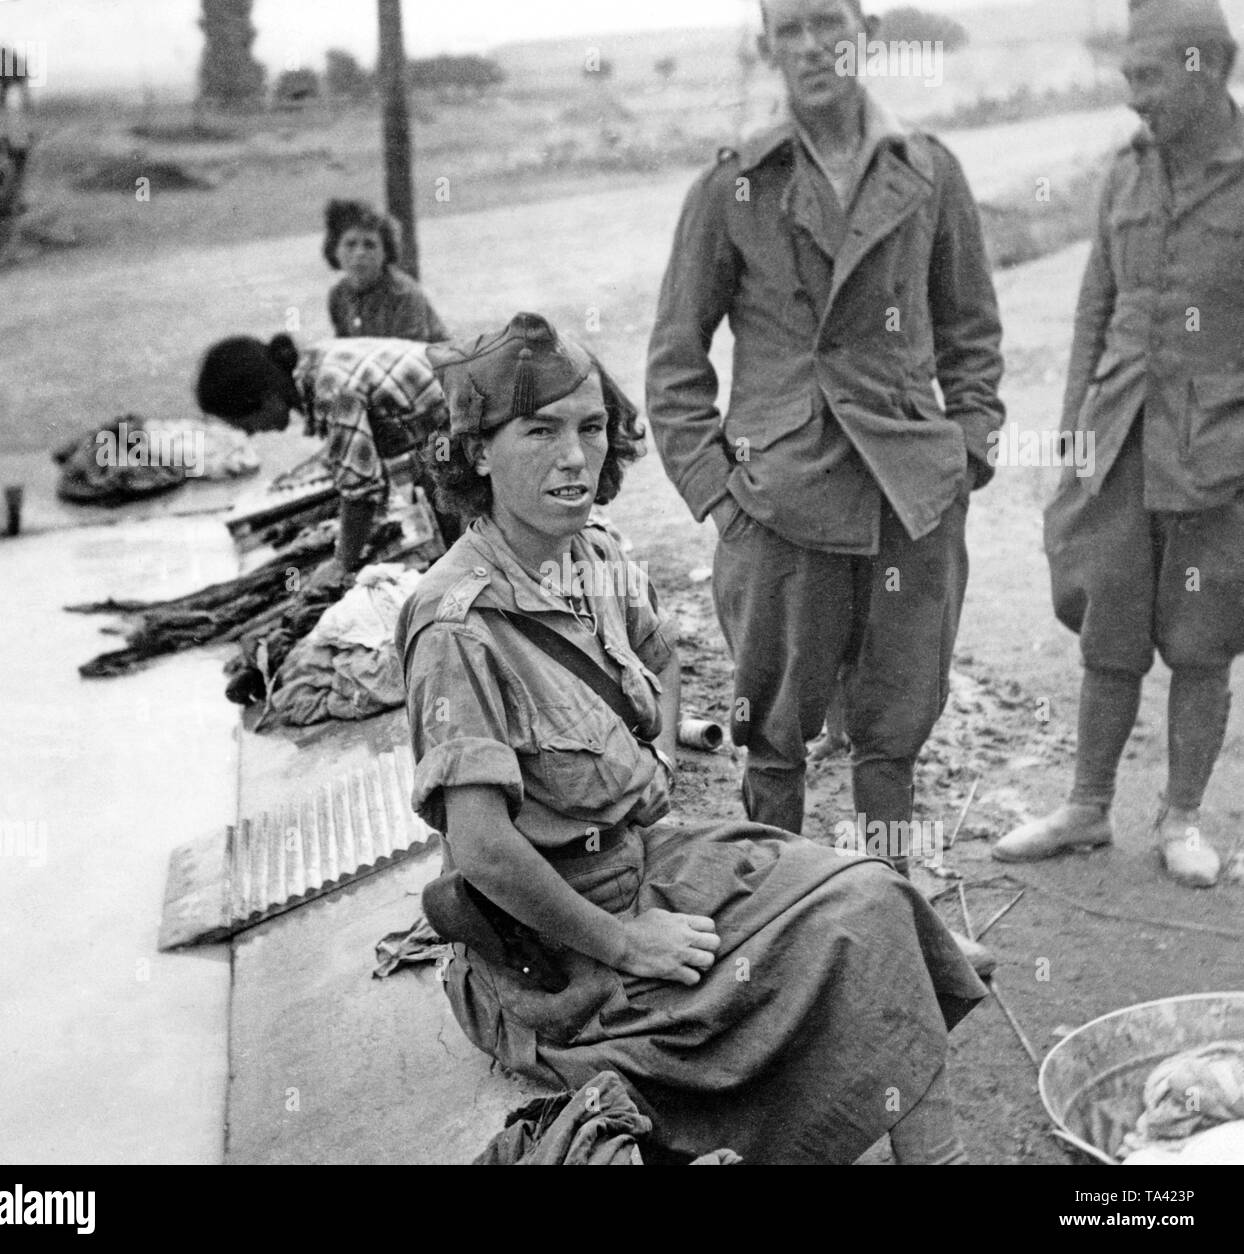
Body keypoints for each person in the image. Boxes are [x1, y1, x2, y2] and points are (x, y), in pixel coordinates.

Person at [395, 311, 988, 1165]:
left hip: (650, 859)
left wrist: (661, 756)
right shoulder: (455, 623)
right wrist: (625, 943)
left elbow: (659, 657)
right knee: (858, 926)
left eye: (592, 428)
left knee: (876, 897)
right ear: (477, 452)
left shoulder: (592, 554)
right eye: (540, 431)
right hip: (560, 952)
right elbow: (483, 850)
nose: (575, 457)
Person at [645, 2, 1005, 903]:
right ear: (768, 47)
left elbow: (971, 334)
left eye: (828, 21)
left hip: (908, 499)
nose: (812, 46)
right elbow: (674, 360)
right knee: (774, 736)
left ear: (866, 31)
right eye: (790, 28)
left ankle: (889, 911)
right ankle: (778, 928)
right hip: (779, 504)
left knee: (893, 732)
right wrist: (721, 498)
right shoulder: (733, 185)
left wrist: (964, 458)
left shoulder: (927, 171)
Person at [994, 0, 1244, 888]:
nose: (1134, 98)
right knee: (1109, 624)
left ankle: (1181, 819)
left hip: (1218, 451)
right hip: (1121, 434)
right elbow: (1094, 307)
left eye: (1149, 77)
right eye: (1127, 76)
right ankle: (1086, 808)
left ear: (1209, 66)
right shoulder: (1125, 174)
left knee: (1203, 637)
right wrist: (1071, 434)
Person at [194, 332, 456, 573]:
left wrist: (340, 564)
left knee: (458, 518)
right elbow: (366, 461)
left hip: (470, 410)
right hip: (445, 412)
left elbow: (361, 494)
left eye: (249, 424)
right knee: (441, 505)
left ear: (266, 399)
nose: (254, 433)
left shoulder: (331, 390)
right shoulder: (310, 367)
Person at [323, 199, 449, 343]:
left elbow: (411, 353)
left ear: (386, 252)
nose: (359, 253)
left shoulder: (403, 294)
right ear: (334, 250)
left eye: (370, 245)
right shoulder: (338, 295)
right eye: (350, 244)